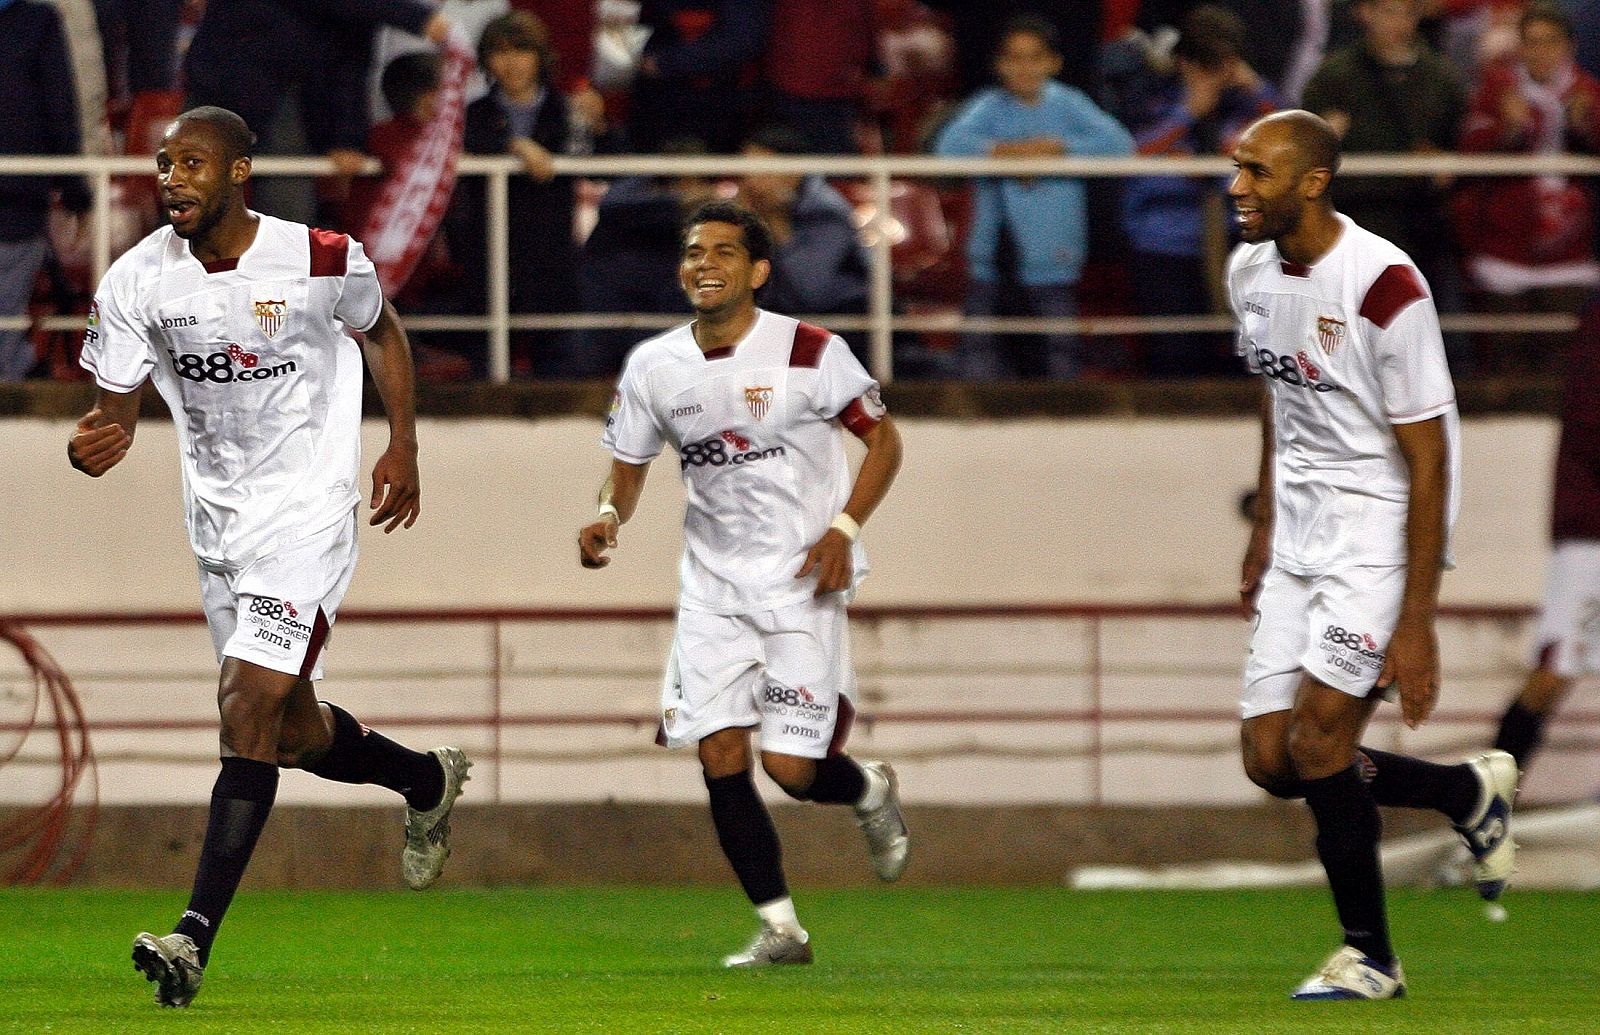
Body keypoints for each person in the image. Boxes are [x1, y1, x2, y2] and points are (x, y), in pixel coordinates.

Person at [67, 107, 470, 1008]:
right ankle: (424, 776)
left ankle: (193, 936)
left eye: (194, 163)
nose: (173, 176)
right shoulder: (135, 282)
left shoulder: (321, 256)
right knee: (287, 731)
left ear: (240, 171)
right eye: (165, 163)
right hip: (218, 527)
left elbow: (385, 330)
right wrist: (94, 443)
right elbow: (116, 413)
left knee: (244, 704)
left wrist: (403, 444)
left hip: (307, 515)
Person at [1228, 109, 1518, 1000]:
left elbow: (1429, 457)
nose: (1238, 187)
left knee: (1320, 742)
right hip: (1302, 531)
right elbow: (1280, 399)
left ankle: (1372, 957)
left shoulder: (1385, 285)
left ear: (1312, 183)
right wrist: (1266, 517)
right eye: (1238, 168)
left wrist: (1418, 621)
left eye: (1257, 172)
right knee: (1268, 759)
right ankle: (1464, 793)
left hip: (1376, 531)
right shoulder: (1248, 270)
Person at [578, 201, 908, 967]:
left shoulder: (811, 350)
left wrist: (845, 529)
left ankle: (866, 790)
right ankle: (781, 927)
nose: (704, 264)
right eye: (694, 251)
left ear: (757, 271)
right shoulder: (655, 366)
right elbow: (628, 468)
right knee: (720, 753)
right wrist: (606, 515)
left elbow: (884, 441)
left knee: (791, 770)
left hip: (802, 580)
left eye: (723, 251)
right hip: (712, 589)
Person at [933, 16, 1134, 380]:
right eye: (1014, 58)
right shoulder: (988, 106)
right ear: (999, 64)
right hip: (989, 260)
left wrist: (1056, 149)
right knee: (980, 351)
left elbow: (1119, 145)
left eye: (1034, 57)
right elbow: (948, 147)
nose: (1024, 68)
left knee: (1061, 353)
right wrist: (1006, 154)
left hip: (1055, 258)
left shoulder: (1070, 104)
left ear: (1052, 62)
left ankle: (1069, 430)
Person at [1122, 5, 1278, 377]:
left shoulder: (1249, 104)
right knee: (1174, 357)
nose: (1212, 74)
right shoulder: (1150, 98)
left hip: (1236, 242)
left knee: (1242, 356)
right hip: (1162, 244)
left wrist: (1256, 87)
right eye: (1202, 62)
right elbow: (1129, 152)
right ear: (1183, 61)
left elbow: (1287, 136)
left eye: (1222, 63)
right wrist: (1188, 112)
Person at [1454, 2, 1600, 373]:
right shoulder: (1495, 90)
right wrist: (1508, 130)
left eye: (1550, 42)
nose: (1541, 52)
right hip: (1505, 252)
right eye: (1532, 43)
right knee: (1504, 361)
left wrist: (1585, 126)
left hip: (1571, 256)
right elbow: (1466, 153)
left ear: (1569, 46)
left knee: (1564, 366)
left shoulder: (1589, 92)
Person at [1490, 289, 1600, 774]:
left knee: (1557, 668)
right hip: (1592, 529)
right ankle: (1488, 800)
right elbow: (1589, 420)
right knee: (1556, 669)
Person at [445, 10, 580, 377]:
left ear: (540, 56)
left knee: (555, 359)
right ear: (487, 60)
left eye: (522, 50)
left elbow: (602, 154)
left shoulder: (567, 109)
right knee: (485, 358)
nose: (512, 62)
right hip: (486, 249)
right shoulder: (473, 113)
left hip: (550, 251)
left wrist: (595, 124)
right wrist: (516, 146)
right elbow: (463, 145)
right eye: (500, 52)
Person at [0, 0, 89, 380]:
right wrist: (74, 189)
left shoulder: (38, 22)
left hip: (17, 198)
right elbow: (59, 107)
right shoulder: (36, 23)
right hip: (16, 199)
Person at [737, 125, 870, 320]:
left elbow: (809, 294)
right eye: (747, 171)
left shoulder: (828, 212)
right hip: (785, 318)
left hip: (846, 317)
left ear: (794, 172)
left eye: (763, 171)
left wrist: (776, 223)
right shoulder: (747, 211)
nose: (752, 181)